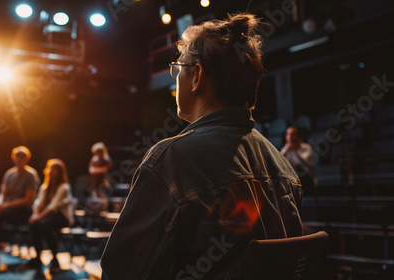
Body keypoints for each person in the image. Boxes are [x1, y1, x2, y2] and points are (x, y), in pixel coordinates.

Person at [101, 13, 303, 280]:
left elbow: (122, 272)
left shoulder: (169, 160)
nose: (175, 78)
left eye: (178, 68)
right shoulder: (284, 167)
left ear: (197, 76)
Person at [0, 146, 40, 266]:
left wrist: (5, 206)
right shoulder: (9, 174)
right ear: (14, 158)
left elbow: (27, 200)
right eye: (17, 157)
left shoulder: (30, 175)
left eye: (22, 157)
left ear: (27, 159)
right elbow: (3, 194)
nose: (20, 160)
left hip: (23, 210)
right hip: (7, 207)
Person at [23, 159, 75, 272]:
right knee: (34, 224)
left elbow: (53, 207)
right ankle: (37, 258)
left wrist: (39, 217)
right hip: (46, 216)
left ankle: (55, 259)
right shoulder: (44, 187)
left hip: (62, 217)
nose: (51, 171)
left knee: (44, 224)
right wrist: (35, 215)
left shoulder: (64, 187)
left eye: (54, 169)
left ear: (59, 172)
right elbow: (38, 203)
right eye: (50, 169)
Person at [281, 126, 317, 196]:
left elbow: (305, 162)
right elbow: (280, 161)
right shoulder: (286, 148)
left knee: (297, 167)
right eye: (288, 134)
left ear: (299, 136)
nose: (290, 137)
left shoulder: (306, 147)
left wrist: (295, 150)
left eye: (293, 134)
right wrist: (287, 148)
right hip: (292, 181)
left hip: (306, 180)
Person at [88, 142, 112, 209]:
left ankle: (104, 211)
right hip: (95, 181)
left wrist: (96, 170)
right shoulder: (94, 159)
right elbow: (91, 170)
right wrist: (99, 170)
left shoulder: (106, 159)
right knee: (95, 196)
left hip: (103, 181)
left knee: (103, 196)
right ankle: (97, 212)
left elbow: (105, 169)